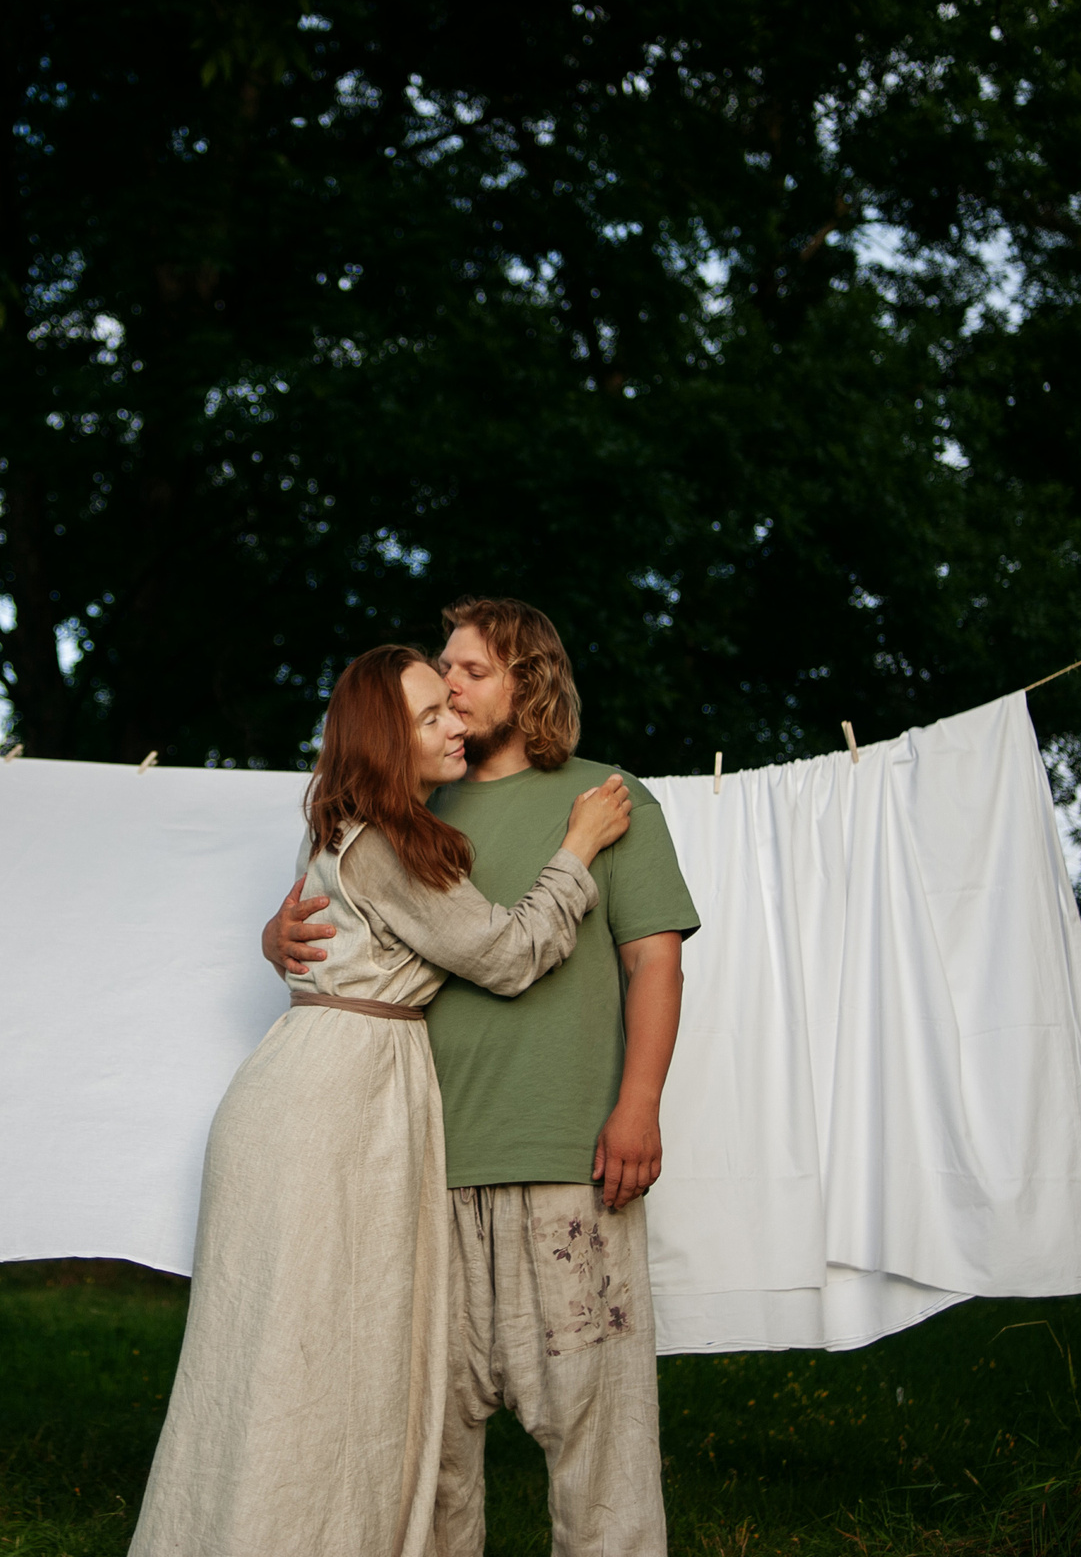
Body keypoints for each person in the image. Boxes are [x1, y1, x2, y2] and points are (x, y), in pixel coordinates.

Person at [130, 643, 638, 1557]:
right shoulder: (393, 841)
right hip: (335, 1103)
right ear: (381, 738)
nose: (453, 725)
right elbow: (511, 957)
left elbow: (335, 922)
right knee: (313, 1353)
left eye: (453, 706)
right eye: (429, 717)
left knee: (308, 1350)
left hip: (327, 1083)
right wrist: (577, 847)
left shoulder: (348, 827)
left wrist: (270, 936)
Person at [266, 597, 701, 1557]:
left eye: (468, 671)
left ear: (528, 681)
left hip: (564, 1152)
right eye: (441, 674)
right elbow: (337, 916)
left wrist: (638, 1107)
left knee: (596, 1432)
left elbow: (653, 960)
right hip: (419, 1167)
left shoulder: (607, 797)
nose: (448, 688)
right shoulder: (414, 799)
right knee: (433, 1442)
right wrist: (272, 936)